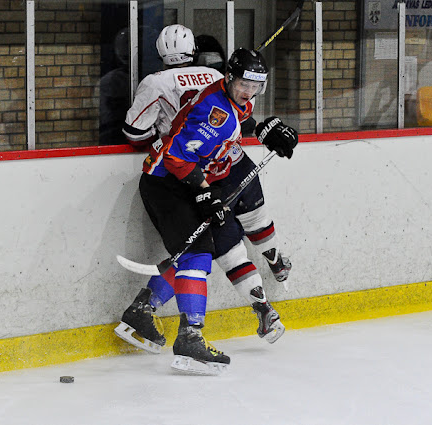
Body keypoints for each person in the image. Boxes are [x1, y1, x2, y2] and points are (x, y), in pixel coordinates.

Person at [116, 26, 297, 373]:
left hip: (186, 182)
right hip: (166, 183)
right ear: (228, 77)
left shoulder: (234, 98)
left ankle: (142, 310)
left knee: (205, 247)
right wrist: (203, 193)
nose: (249, 92)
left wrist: (263, 130)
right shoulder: (214, 111)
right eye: (244, 85)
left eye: (255, 87)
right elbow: (177, 158)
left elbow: (236, 121)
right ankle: (190, 337)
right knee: (197, 252)